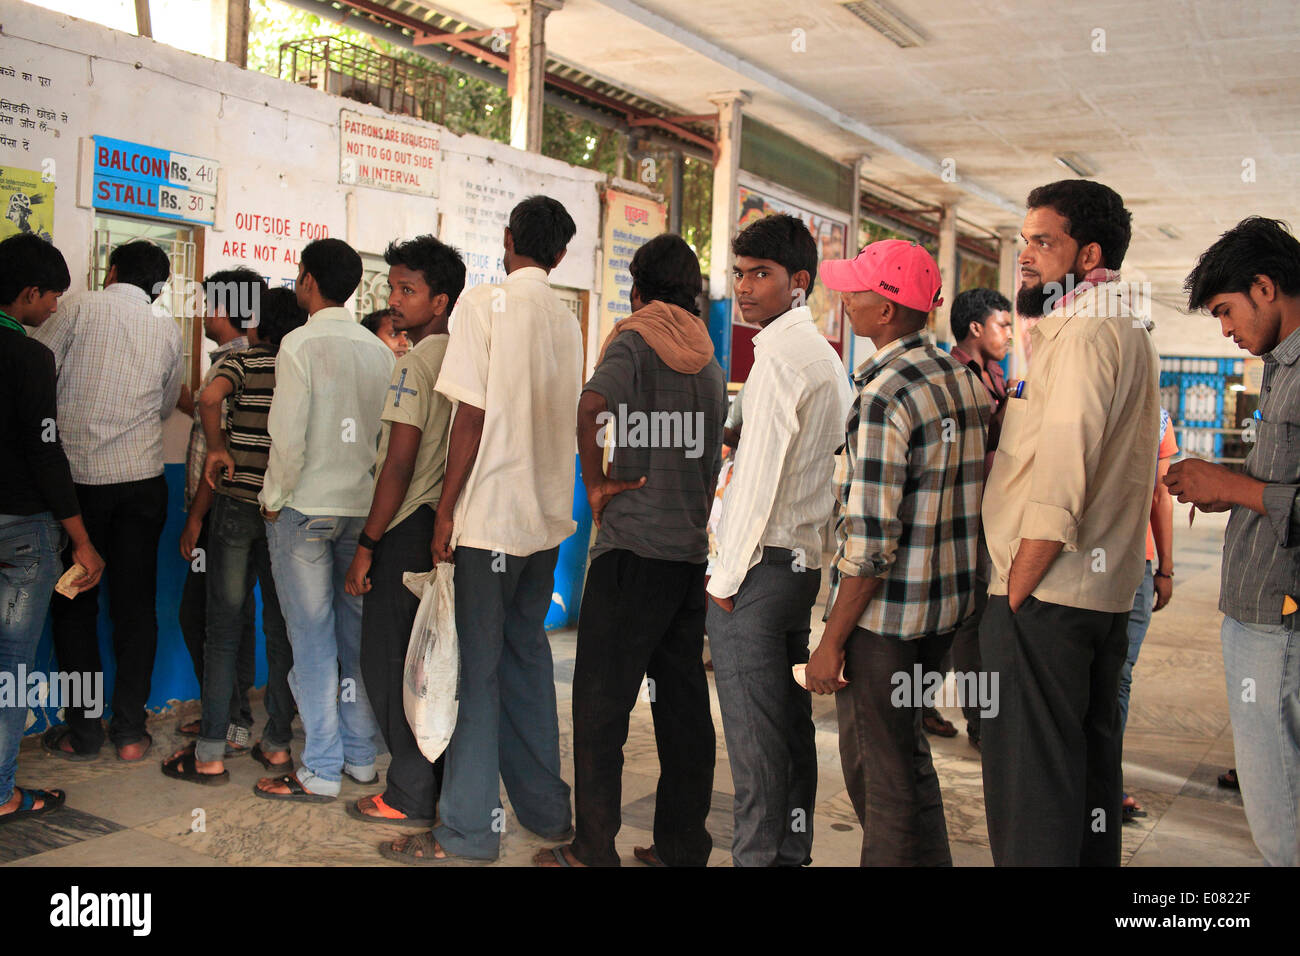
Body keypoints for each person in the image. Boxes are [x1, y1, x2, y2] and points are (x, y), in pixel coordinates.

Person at [381, 196, 582, 863]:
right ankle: (548, 813)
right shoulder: (569, 319)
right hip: (546, 523)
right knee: (526, 662)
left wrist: (446, 510)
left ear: (507, 240)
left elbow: (470, 416)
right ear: (558, 256)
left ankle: (468, 832)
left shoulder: (483, 306)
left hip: (490, 520)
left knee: (476, 676)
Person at [979, 180, 1160, 866]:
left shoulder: (1085, 334)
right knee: (1083, 780)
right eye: (1024, 239)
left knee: (1033, 792)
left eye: (1043, 242)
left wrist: (1016, 592)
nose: (1026, 255)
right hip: (1096, 594)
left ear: (1088, 255)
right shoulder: (1121, 323)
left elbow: (1061, 480)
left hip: (1048, 597)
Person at [536, 234, 726, 867]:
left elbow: (592, 403)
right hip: (686, 557)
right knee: (683, 710)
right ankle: (681, 847)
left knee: (599, 705)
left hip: (631, 554)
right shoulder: (708, 358)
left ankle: (593, 850)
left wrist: (595, 483)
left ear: (638, 288)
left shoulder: (636, 337)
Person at [806, 240, 991, 866]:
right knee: (907, 762)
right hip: (944, 614)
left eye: (854, 289)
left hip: (885, 624)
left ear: (886, 310)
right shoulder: (961, 379)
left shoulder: (884, 396)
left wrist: (831, 641)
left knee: (880, 782)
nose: (844, 298)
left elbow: (870, 542)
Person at [704, 214, 853, 867]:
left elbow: (755, 485)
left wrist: (725, 581)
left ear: (799, 282)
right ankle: (790, 855)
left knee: (755, 745)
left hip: (757, 571)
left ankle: (761, 860)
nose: (744, 287)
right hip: (796, 566)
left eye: (760, 274)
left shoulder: (780, 363)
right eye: (739, 273)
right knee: (788, 733)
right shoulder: (820, 355)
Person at [1167, 216, 1300, 867]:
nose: (1225, 329)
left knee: (1283, 823)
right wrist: (1230, 487)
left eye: (1226, 311)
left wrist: (1232, 485)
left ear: (1265, 287)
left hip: (1282, 619)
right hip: (1262, 613)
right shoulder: (1280, 367)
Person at [253, 238, 394, 802]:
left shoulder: (298, 344)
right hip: (362, 515)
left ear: (309, 281)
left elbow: (286, 436)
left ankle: (320, 768)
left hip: (305, 510)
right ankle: (361, 759)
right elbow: (386, 443)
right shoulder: (380, 351)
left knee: (311, 642)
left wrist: (273, 496)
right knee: (354, 641)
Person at [35, 239, 181, 762]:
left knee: (74, 605)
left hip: (75, 487)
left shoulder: (75, 308)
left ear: (110, 270)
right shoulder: (166, 327)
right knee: (135, 609)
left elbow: (37, 370)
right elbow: (166, 404)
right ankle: (131, 734)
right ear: (158, 286)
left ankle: (83, 732)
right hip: (143, 481)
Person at [161, 285, 306, 786]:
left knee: (222, 630)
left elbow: (207, 397)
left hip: (235, 510)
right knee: (282, 631)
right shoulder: (298, 366)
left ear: (255, 326)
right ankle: (279, 747)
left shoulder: (243, 365)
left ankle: (211, 753)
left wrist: (219, 448)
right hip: (283, 513)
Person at [343, 236, 465, 827]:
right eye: (391, 287)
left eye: (407, 290)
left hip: (407, 523)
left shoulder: (414, 363)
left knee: (387, 662)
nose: (394, 300)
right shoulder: (464, 358)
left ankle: (407, 793)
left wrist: (366, 545)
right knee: (430, 662)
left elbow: (397, 462)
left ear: (439, 301)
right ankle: (431, 784)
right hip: (447, 524)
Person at [0, 235, 104, 820]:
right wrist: (82, 541)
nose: (56, 311)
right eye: (53, 298)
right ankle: (1, 794)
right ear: (29, 293)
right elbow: (45, 455)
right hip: (22, 535)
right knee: (11, 666)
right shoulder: (30, 357)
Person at [175, 268, 259, 751]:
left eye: (209, 305)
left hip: (219, 511)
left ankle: (227, 720)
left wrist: (195, 517)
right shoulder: (246, 360)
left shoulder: (231, 367)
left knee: (208, 618)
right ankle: (230, 716)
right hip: (232, 510)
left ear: (227, 310)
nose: (204, 315)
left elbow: (219, 454)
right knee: (233, 614)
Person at [933, 287, 1015, 747]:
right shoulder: (956, 376)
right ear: (976, 328)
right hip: (963, 512)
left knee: (975, 617)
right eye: (1002, 326)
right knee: (969, 620)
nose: (1009, 335)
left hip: (991, 510)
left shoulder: (995, 374)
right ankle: (981, 720)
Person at [1119, 406, 1177, 822]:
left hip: (1075, 560)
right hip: (1132, 563)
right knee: (1117, 678)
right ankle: (1103, 783)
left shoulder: (1077, 393)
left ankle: (1084, 780)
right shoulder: (1155, 415)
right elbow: (1160, 494)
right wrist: (1166, 569)